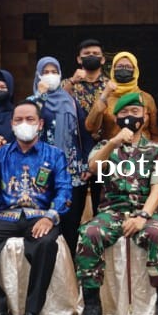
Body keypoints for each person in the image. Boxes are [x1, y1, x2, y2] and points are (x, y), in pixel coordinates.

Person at [75, 93, 158, 315]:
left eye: (135, 112)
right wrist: (113, 143)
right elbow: (93, 167)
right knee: (89, 234)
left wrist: (143, 217)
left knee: (157, 235)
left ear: (145, 117)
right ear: (116, 117)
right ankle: (92, 305)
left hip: (144, 211)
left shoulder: (157, 150)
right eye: (124, 113)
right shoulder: (105, 147)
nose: (130, 116)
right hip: (111, 212)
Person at [0, 101, 72, 315]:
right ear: (11, 124)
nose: (24, 124)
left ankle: (32, 312)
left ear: (40, 124)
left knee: (45, 244)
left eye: (30, 119)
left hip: (40, 215)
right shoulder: (1, 153)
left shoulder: (54, 155)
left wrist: (50, 217)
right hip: (7, 215)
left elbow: (64, 190)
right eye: (18, 120)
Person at [31, 57, 88, 254]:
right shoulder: (33, 103)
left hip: (73, 172)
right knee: (46, 225)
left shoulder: (70, 101)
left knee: (71, 224)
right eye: (45, 72)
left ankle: (69, 264)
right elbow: (29, 128)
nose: (50, 76)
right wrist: (40, 96)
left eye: (54, 72)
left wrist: (86, 163)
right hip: (43, 172)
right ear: (38, 75)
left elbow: (83, 133)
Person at [61, 38, 110, 238]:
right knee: (71, 216)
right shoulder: (67, 85)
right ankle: (70, 255)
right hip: (75, 156)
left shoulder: (110, 86)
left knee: (103, 212)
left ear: (103, 59)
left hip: (105, 156)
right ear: (79, 59)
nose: (91, 57)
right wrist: (72, 82)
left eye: (96, 54)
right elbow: (56, 104)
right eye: (87, 54)